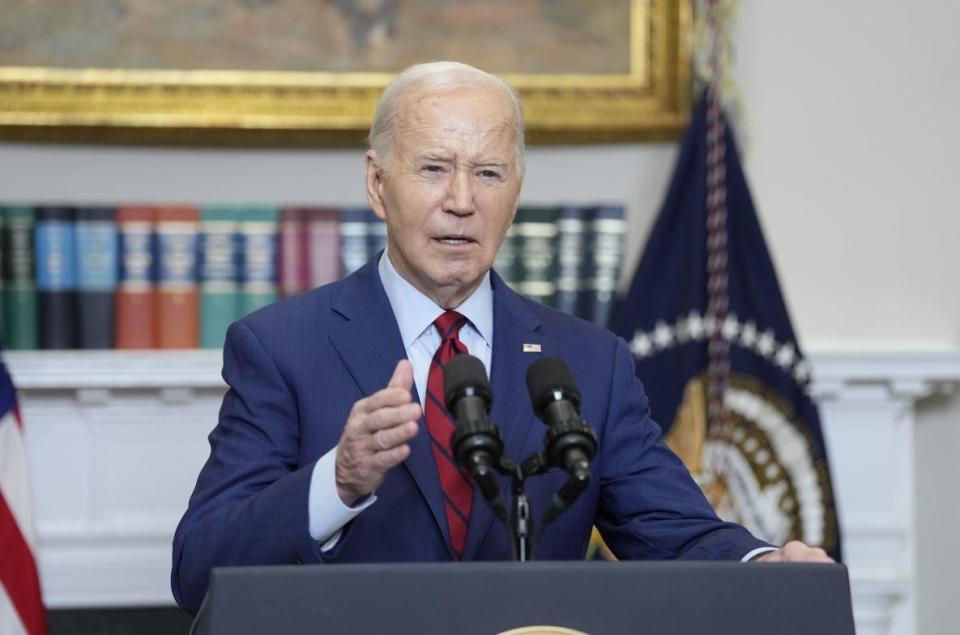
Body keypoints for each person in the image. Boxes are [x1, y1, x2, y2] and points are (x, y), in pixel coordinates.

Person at [171, 61, 831, 615]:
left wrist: (764, 561)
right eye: (434, 168)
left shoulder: (590, 363)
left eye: (488, 173)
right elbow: (198, 570)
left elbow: (675, 530)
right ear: (377, 183)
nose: (462, 199)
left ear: (516, 193)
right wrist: (336, 482)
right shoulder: (282, 347)